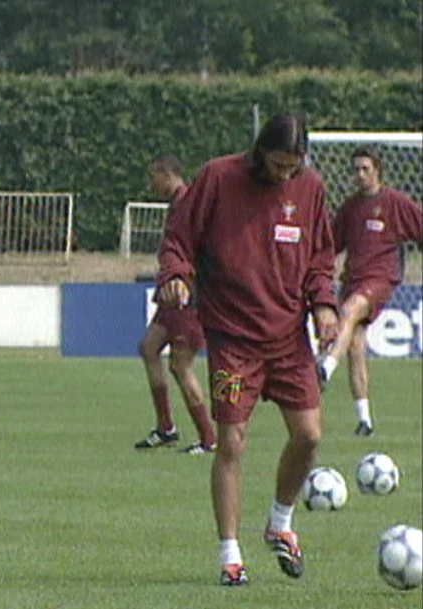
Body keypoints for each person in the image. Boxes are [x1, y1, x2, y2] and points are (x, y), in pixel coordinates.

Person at [157, 112, 338, 586]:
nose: (283, 175)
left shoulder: (310, 189)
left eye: (292, 167)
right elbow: (179, 238)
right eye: (277, 165)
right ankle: (230, 555)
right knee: (232, 442)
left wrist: (324, 306)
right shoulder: (218, 177)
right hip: (233, 338)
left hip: (288, 338)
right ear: (260, 152)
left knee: (310, 435)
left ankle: (280, 524)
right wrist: (176, 274)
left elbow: (320, 259)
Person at [317, 147, 423, 436]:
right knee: (355, 345)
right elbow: (331, 246)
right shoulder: (350, 207)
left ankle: (325, 367)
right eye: (355, 170)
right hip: (353, 278)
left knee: (349, 310)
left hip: (380, 279)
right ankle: (365, 420)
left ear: (377, 169)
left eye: (365, 169)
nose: (359, 175)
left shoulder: (395, 202)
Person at [135, 155, 217, 454]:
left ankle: (209, 438)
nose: (151, 184)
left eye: (153, 176)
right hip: (170, 295)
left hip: (187, 294)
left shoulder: (188, 202)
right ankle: (166, 427)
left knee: (181, 366)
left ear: (167, 174)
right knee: (148, 347)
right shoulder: (178, 203)